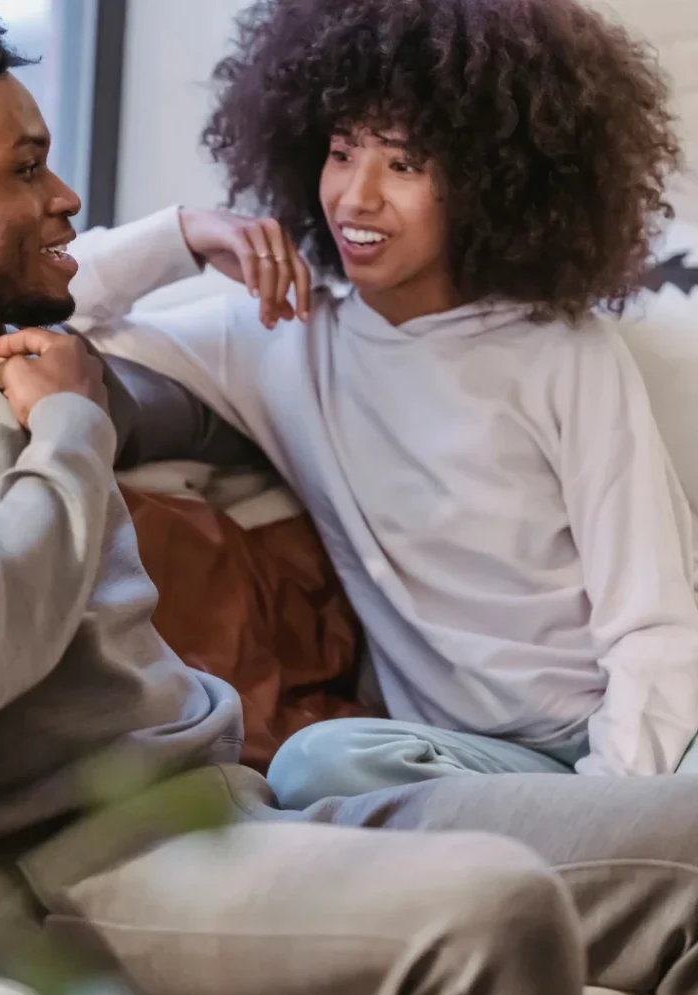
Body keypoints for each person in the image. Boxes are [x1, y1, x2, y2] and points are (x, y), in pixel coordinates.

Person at [0, 1, 698, 995]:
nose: (66, 193)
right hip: (94, 868)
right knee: (492, 910)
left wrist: (159, 270)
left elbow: (124, 376)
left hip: (228, 809)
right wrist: (72, 435)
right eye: (25, 168)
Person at [78, 0, 698, 802]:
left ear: (487, 181)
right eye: (342, 152)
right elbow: (58, 307)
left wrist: (613, 800)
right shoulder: (278, 332)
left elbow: (652, 624)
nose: (356, 197)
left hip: (644, 733)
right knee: (314, 766)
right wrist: (186, 233)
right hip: (466, 761)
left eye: (404, 164)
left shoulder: (563, 352)